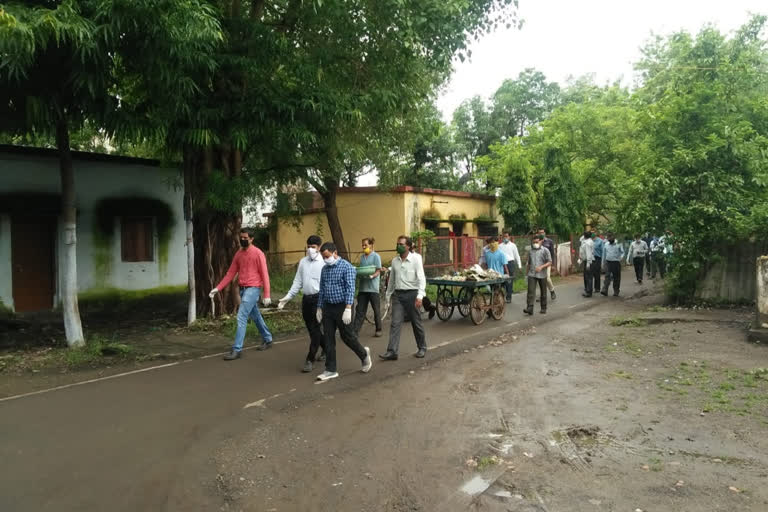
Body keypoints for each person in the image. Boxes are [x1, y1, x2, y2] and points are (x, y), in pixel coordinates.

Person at [209, 227, 273, 360]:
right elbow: (230, 273)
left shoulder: (258, 253)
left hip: (253, 288)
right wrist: (218, 288)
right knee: (255, 316)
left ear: (251, 239)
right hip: (243, 289)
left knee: (241, 316)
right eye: (241, 238)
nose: (243, 240)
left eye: (245, 238)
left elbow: (265, 274)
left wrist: (267, 294)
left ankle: (237, 349)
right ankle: (268, 338)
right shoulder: (239, 254)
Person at [315, 242, 372, 381]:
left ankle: (364, 355)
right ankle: (330, 369)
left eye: (327, 256)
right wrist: (319, 307)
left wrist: (348, 307)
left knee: (347, 336)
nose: (325, 259)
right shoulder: (324, 269)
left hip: (342, 307)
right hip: (328, 307)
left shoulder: (347, 267)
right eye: (323, 257)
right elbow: (322, 289)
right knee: (328, 337)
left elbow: (350, 289)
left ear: (335, 253)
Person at [277, 235, 326, 373]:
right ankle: (327, 348)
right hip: (306, 299)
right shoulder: (303, 262)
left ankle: (310, 359)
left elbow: (326, 285)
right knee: (312, 329)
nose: (310, 249)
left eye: (314, 247)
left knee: (315, 330)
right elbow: (297, 282)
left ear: (319, 247)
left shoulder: (323, 262)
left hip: (318, 300)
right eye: (309, 247)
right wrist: (287, 297)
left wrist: (322, 305)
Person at [379, 235, 427, 361]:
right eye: (397, 244)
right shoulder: (395, 261)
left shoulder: (416, 259)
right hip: (398, 296)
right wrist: (388, 297)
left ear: (408, 246)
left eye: (401, 244)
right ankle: (392, 351)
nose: (398, 246)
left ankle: (422, 347)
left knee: (416, 322)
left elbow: (421, 278)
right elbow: (392, 281)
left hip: (412, 294)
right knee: (395, 323)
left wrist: (420, 296)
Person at [352, 237, 383, 337]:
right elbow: (362, 270)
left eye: (366, 245)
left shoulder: (376, 256)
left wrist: (372, 276)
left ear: (371, 245)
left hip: (373, 288)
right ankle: (355, 331)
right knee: (360, 310)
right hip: (363, 288)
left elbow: (378, 270)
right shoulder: (362, 257)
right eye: (363, 245)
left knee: (376, 309)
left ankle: (379, 329)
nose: (364, 247)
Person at [524, 234, 552, 315]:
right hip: (532, 274)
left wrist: (541, 267)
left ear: (541, 241)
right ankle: (530, 307)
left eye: (537, 242)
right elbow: (528, 263)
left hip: (542, 274)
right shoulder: (531, 251)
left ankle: (543, 307)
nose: (535, 243)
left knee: (543, 291)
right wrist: (526, 275)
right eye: (534, 242)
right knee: (530, 291)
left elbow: (550, 262)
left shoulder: (545, 250)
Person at [499, 231, 522, 303]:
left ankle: (509, 296)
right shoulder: (500, 246)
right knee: (504, 279)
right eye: (504, 236)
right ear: (502, 237)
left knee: (510, 280)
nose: (505, 238)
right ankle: (506, 292)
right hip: (503, 264)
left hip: (510, 263)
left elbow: (517, 255)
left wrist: (519, 265)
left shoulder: (513, 245)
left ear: (509, 237)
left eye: (506, 236)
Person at [600, 232, 625, 297]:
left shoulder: (618, 244)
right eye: (608, 238)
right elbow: (604, 254)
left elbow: (622, 252)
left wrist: (620, 258)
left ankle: (616, 290)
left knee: (616, 277)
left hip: (616, 263)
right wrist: (602, 263)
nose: (609, 239)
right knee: (607, 276)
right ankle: (605, 289)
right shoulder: (606, 244)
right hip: (608, 262)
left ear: (613, 237)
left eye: (610, 237)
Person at [537, 228, 557, 301]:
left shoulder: (549, 241)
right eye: (540, 232)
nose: (541, 234)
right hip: (539, 264)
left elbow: (552, 253)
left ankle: (552, 291)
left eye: (542, 232)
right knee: (541, 280)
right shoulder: (536, 241)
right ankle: (542, 295)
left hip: (548, 263)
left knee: (547, 279)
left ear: (545, 233)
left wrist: (553, 265)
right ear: (538, 234)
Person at [579, 231, 595, 297]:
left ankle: (588, 292)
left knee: (588, 277)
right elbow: (581, 239)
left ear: (584, 236)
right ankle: (588, 290)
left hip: (589, 262)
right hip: (588, 261)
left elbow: (588, 254)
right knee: (587, 277)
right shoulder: (589, 241)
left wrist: (588, 264)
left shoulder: (587, 243)